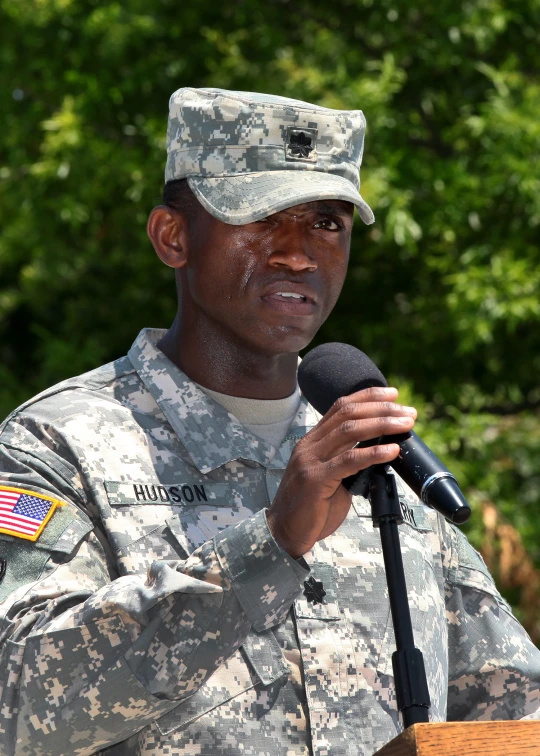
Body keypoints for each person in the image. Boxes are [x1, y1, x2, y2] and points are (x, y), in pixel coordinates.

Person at [0, 87, 539, 756]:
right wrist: (270, 544)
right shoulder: (57, 443)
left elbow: (514, 709)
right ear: (173, 237)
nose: (298, 252)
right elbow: (17, 703)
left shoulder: (378, 455)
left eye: (327, 223)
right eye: (259, 218)